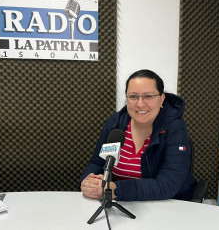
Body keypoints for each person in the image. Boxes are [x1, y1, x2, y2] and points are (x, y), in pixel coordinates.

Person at [79, 69, 196, 201]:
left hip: (167, 205)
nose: (140, 104)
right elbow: (97, 162)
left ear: (161, 99)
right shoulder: (115, 123)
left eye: (149, 96)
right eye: (133, 96)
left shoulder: (174, 128)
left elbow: (167, 185)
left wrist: (115, 189)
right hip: (121, 202)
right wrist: (88, 182)